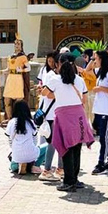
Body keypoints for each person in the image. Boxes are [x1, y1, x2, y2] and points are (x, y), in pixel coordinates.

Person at [43, 57, 94, 192]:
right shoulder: (80, 80)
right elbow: (84, 98)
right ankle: (75, 179)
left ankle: (68, 181)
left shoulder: (55, 80)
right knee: (77, 148)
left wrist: (59, 94)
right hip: (78, 116)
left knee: (66, 148)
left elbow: (45, 93)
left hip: (64, 117)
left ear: (60, 65)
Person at [90, 50, 108, 175]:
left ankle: (101, 163)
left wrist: (100, 88)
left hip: (106, 110)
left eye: (97, 59)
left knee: (104, 137)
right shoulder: (100, 72)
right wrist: (93, 58)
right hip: (99, 109)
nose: (95, 61)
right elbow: (86, 71)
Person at [37, 53, 63, 183]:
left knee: (60, 143)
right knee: (53, 143)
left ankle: (59, 168)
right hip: (52, 114)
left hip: (57, 113)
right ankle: (47, 170)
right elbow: (48, 94)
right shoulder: (52, 76)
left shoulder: (55, 76)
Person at [5, 100, 44, 175]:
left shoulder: (12, 122)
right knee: (47, 147)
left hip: (17, 155)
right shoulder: (31, 122)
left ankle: (19, 166)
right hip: (30, 154)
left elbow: (9, 140)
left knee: (13, 165)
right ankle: (34, 166)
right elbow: (35, 140)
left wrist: (13, 149)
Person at [1, 36, 31, 121]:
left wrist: (21, 69)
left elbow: (28, 68)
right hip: (10, 78)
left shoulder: (23, 57)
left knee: (19, 100)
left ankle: (18, 118)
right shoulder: (10, 56)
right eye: (15, 44)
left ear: (21, 45)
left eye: (18, 44)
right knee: (7, 100)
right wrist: (1, 71)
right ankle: (10, 119)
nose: (16, 45)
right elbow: (8, 69)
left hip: (18, 78)